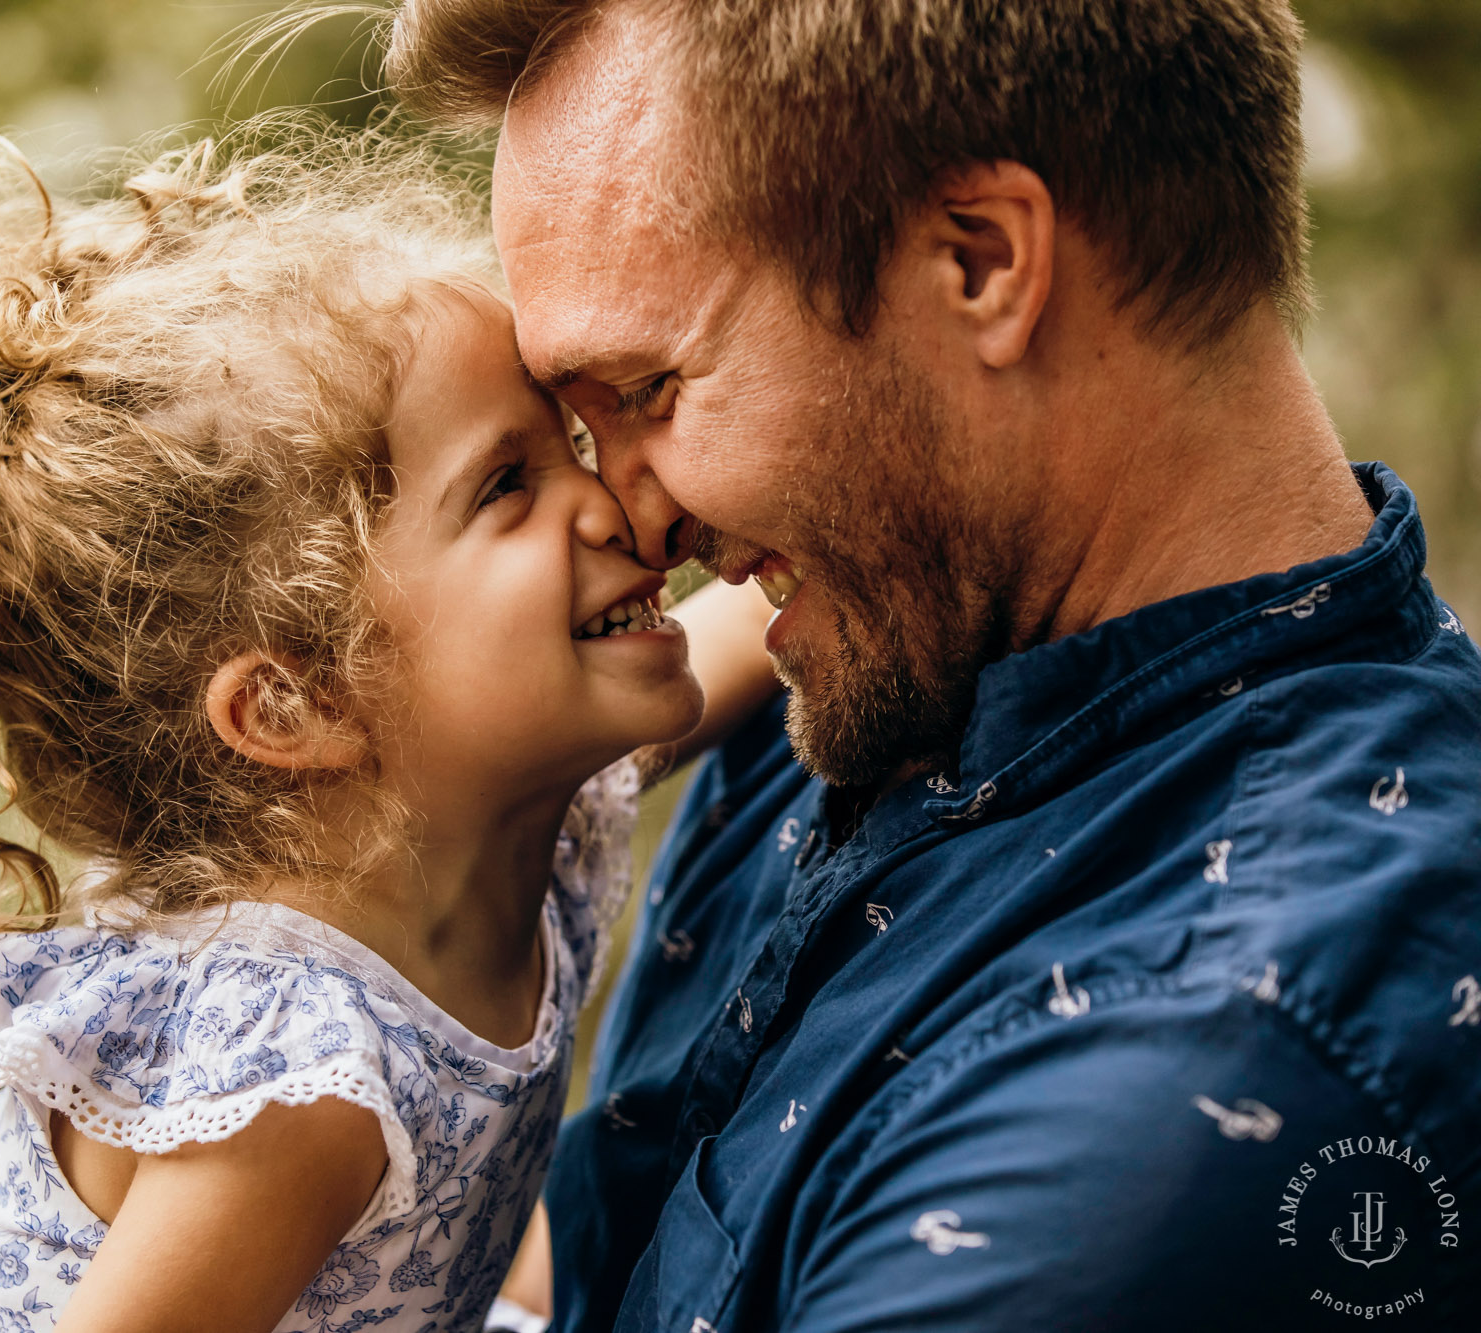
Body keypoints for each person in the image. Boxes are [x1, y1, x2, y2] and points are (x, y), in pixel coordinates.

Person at [0, 109, 778, 1333]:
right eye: (507, 486)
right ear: (295, 704)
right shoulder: (293, 1084)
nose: (612, 499)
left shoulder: (490, 802)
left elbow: (764, 642)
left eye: (566, 445)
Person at [385, 0, 1481, 1329]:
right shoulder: (866, 660)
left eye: (654, 392)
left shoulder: (1193, 1092)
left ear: (980, 263)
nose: (629, 519)